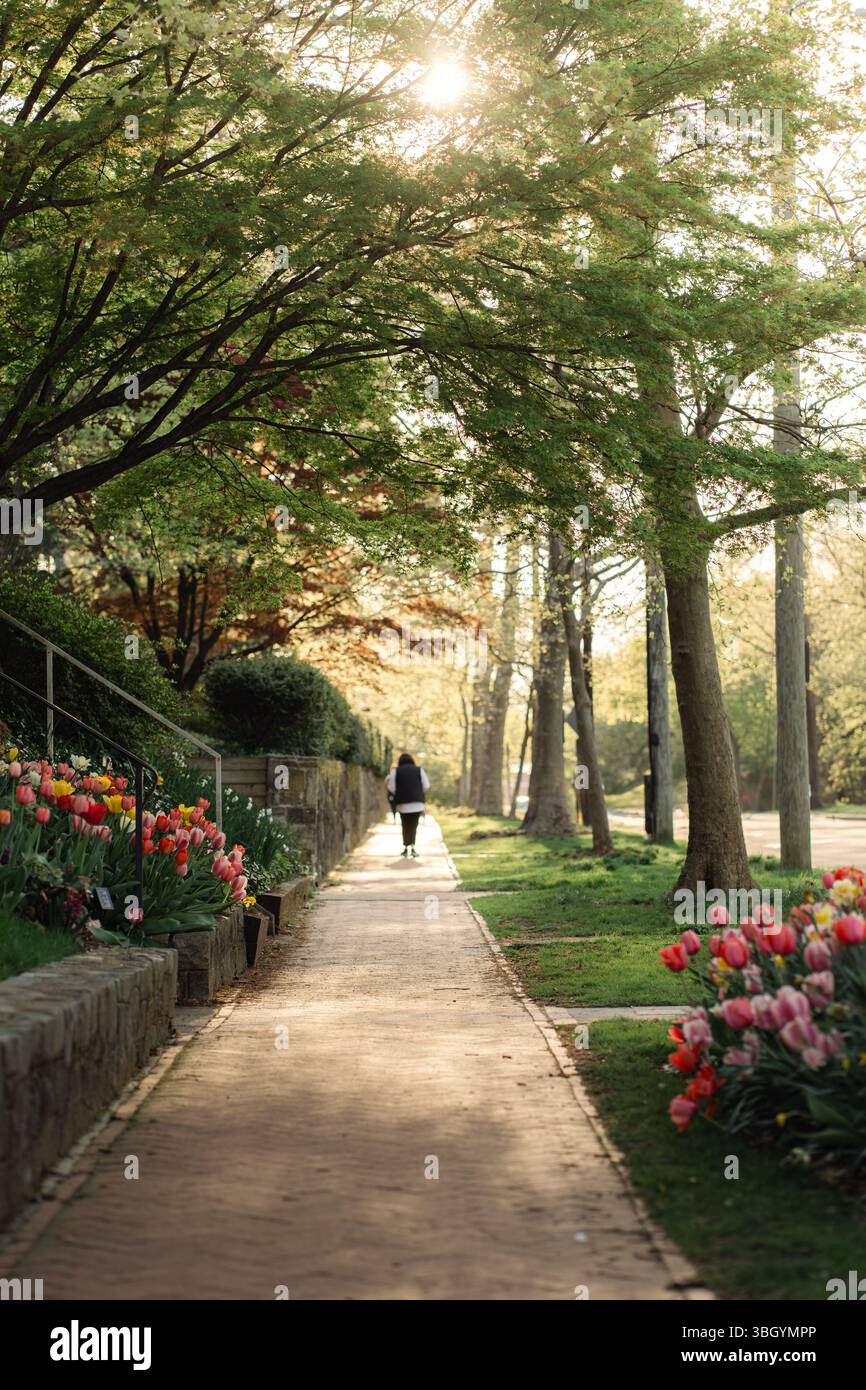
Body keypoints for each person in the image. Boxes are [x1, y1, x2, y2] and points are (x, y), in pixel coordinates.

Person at [385, 752, 430, 858]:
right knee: (414, 825)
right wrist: (418, 792)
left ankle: (406, 848)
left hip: (402, 803)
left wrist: (399, 792)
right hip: (417, 803)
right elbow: (426, 785)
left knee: (405, 826)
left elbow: (391, 787)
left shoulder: (396, 771)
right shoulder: (419, 770)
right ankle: (413, 847)